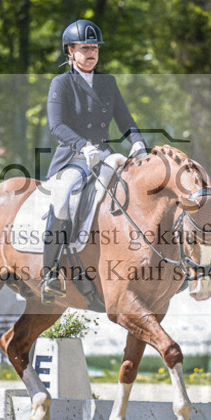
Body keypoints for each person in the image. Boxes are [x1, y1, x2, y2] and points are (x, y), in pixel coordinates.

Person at [40, 19, 147, 303]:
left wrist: (137, 142)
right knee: (62, 198)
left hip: (105, 156)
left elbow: (125, 120)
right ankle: (50, 273)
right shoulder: (61, 83)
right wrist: (82, 145)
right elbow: (57, 125)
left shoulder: (107, 83)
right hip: (72, 158)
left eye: (95, 48)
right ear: (70, 51)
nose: (91, 53)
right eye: (84, 48)